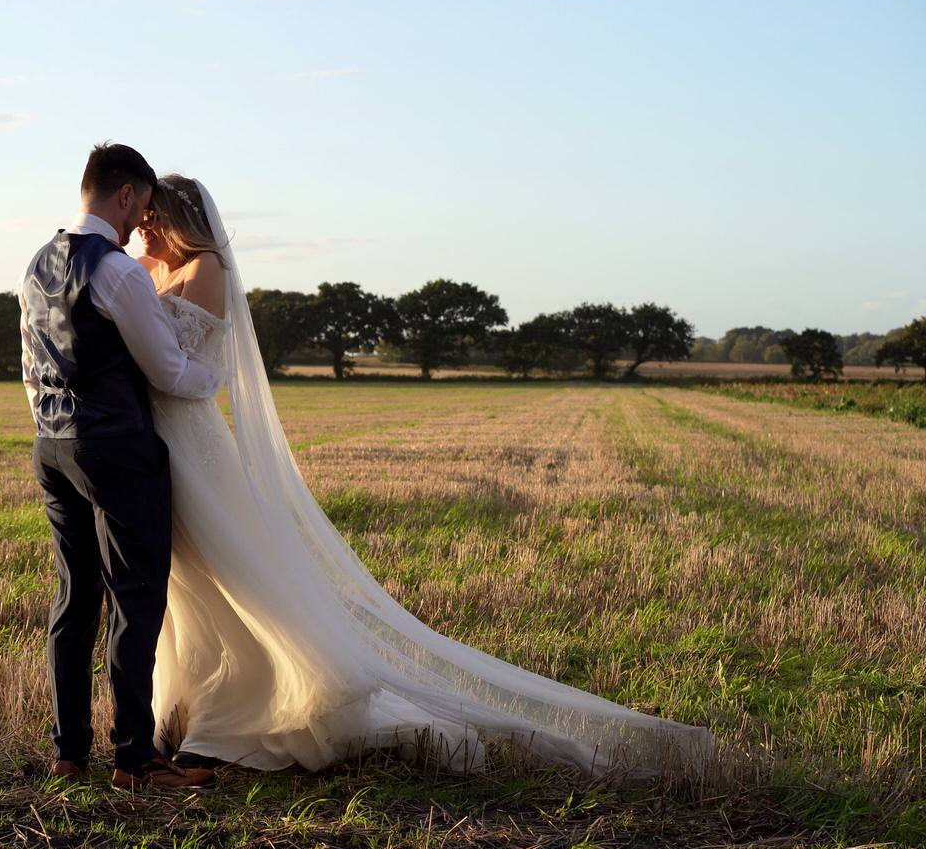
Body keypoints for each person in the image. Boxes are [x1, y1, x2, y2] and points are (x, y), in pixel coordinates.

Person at [133, 173, 719, 782]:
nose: (144, 225)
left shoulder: (205, 270)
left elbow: (184, 363)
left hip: (192, 440)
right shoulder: (145, 269)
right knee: (182, 583)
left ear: (180, 217)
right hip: (153, 438)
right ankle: (195, 703)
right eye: (142, 215)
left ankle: (245, 709)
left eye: (154, 215)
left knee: (235, 577)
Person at [18, 143, 226, 791]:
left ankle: (67, 753)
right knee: (136, 600)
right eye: (141, 208)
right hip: (115, 447)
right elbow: (166, 369)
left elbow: (32, 366)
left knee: (74, 599)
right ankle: (136, 761)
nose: (144, 225)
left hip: (50, 444)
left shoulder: (37, 262)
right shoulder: (119, 272)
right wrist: (212, 377)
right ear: (126, 195)